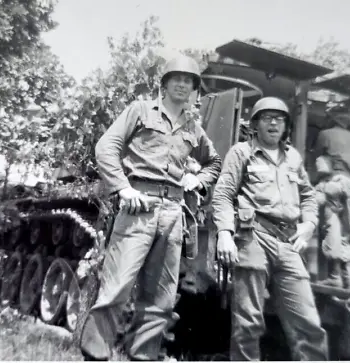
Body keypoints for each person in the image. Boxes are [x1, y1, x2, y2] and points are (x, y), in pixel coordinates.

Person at [79, 54, 222, 361]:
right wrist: (122, 187)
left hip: (173, 214)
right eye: (177, 79)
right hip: (138, 208)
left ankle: (142, 357)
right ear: (165, 84)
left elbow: (214, 162)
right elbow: (107, 146)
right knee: (116, 288)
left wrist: (198, 181)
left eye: (189, 81)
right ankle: (94, 354)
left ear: (194, 89)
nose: (183, 85)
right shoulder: (141, 111)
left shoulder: (193, 128)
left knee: (161, 299)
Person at [212, 97, 328, 361]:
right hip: (253, 238)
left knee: (308, 322)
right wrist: (225, 233)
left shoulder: (293, 158)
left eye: (279, 118)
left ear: (286, 125)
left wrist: (309, 224)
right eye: (266, 117)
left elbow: (309, 196)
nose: (273, 122)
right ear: (255, 124)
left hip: (288, 244)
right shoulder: (241, 152)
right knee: (248, 321)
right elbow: (223, 195)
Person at [314, 106, 350, 289]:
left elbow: (316, 159)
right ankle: (349, 280)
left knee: (331, 226)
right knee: (344, 235)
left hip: (333, 182)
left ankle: (334, 276)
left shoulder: (326, 134)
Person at [314, 154, 350, 290]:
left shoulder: (335, 182)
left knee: (336, 242)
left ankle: (337, 278)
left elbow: (323, 196)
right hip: (332, 217)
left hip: (333, 218)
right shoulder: (331, 182)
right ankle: (349, 282)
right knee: (340, 242)